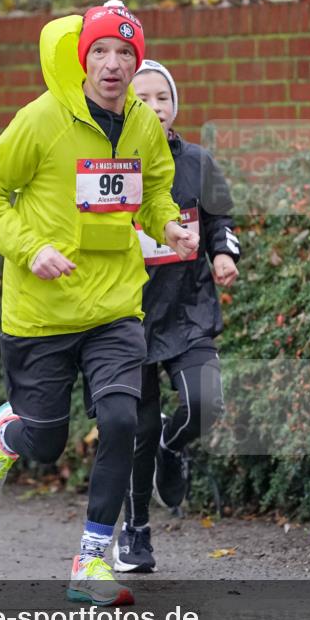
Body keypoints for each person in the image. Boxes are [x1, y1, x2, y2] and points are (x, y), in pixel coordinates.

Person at [0, 1, 199, 606]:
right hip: (41, 313)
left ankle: (91, 560)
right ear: (83, 58)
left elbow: (154, 192)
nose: (113, 64)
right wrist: (31, 248)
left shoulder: (143, 124)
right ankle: (9, 433)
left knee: (122, 421)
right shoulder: (41, 119)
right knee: (45, 443)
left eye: (124, 53)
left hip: (115, 305)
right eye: (100, 52)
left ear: (137, 62)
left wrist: (168, 225)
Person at [112, 58, 240, 574]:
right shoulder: (111, 164)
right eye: (141, 99)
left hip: (188, 307)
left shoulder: (197, 162)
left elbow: (220, 217)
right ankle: (136, 532)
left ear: (175, 105)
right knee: (136, 430)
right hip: (128, 312)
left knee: (205, 401)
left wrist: (223, 253)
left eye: (162, 97)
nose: (154, 106)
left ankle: (174, 442)